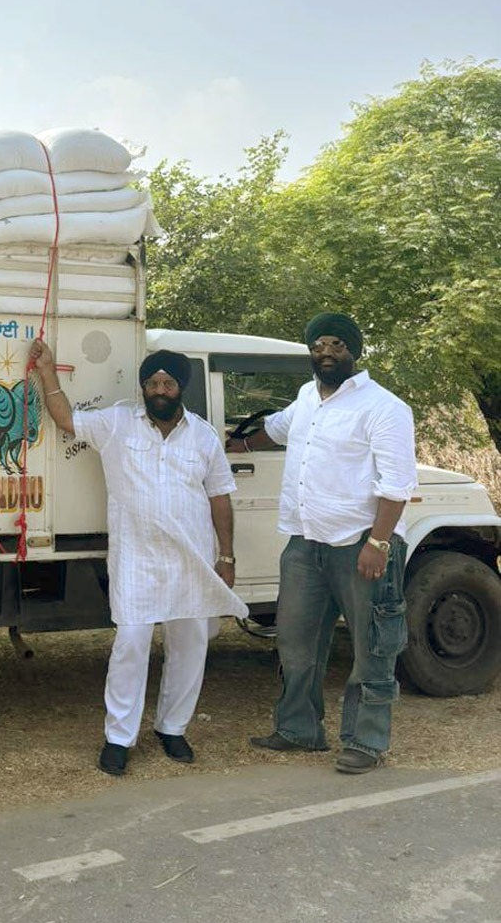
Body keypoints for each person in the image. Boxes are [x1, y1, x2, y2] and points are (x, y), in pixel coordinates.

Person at [30, 339, 247, 775]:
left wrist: (226, 556)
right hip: (136, 558)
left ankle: (173, 728)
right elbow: (67, 419)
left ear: (180, 388)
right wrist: (47, 371)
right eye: (152, 383)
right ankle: (118, 738)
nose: (160, 390)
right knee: (130, 644)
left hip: (192, 559)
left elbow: (220, 496)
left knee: (190, 645)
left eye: (168, 383)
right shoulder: (117, 423)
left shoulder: (203, 435)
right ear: (143, 387)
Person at [235, 313, 418, 774]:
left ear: (354, 350)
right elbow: (276, 428)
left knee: (372, 646)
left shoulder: (384, 407)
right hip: (304, 543)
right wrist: (240, 445)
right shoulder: (306, 397)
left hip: (359, 543)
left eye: (337, 344)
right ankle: (299, 729)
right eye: (318, 345)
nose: (326, 352)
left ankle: (365, 742)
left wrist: (378, 543)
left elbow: (397, 484)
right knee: (296, 642)